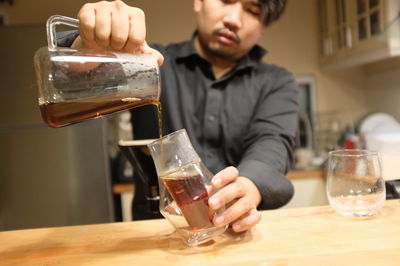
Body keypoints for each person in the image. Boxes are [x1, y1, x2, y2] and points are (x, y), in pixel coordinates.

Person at [70, 0, 298, 232]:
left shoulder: (277, 82)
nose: (233, 19)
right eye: (226, 1)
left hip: (235, 232)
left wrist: (247, 186)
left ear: (263, 26)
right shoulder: (150, 64)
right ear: (198, 2)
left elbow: (272, 144)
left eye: (253, 11)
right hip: (155, 236)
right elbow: (76, 89)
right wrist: (88, 51)